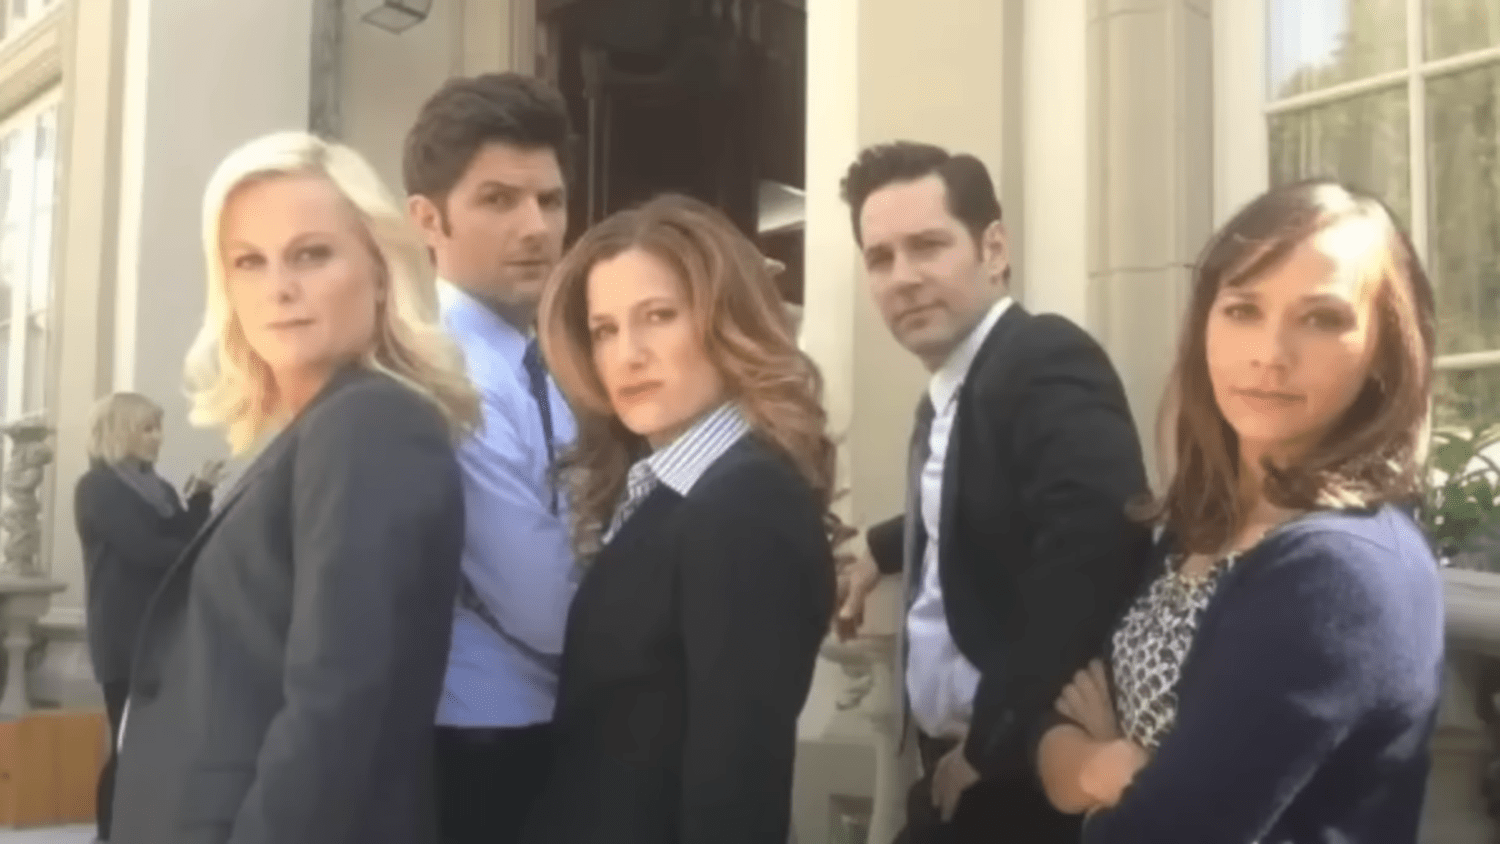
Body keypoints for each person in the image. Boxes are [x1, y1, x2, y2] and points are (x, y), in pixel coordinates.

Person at [1034, 179, 1444, 843]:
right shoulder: (1202, 527)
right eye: (1243, 309)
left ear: (1383, 350)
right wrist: (1102, 766)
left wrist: (1101, 773)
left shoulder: (1339, 572)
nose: (1270, 355)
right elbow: (1053, 736)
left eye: (1322, 319)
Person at [109, 131, 479, 844]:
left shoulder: (373, 423)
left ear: (381, 271)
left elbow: (337, 712)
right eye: (249, 261)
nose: (279, 288)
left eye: (311, 254)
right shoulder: (319, 430)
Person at [834, 142, 1152, 844]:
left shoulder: (1042, 355)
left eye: (928, 246)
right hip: (959, 769)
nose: (903, 277)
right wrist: (878, 550)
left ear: (995, 249)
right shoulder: (956, 388)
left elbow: (1094, 544)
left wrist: (990, 744)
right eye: (880, 258)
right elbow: (971, 500)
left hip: (1023, 780)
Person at [520, 194, 838, 844]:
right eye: (604, 330)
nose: (628, 354)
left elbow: (737, 786)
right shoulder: (666, 492)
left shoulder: (743, 505)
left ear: (727, 321)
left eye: (658, 316)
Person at [403, 72, 578, 844]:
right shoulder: (447, 375)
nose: (536, 227)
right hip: (484, 743)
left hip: (533, 730)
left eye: (550, 200)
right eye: (499, 200)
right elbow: (546, 607)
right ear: (426, 219)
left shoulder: (536, 361)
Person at [74, 392, 225, 843]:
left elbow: (183, 537)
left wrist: (200, 496)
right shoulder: (98, 488)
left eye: (158, 427)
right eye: (147, 428)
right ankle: (109, 835)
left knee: (159, 747)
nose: (158, 437)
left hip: (165, 633)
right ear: (119, 432)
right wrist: (211, 551)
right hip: (125, 638)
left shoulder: (158, 489)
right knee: (128, 747)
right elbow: (149, 550)